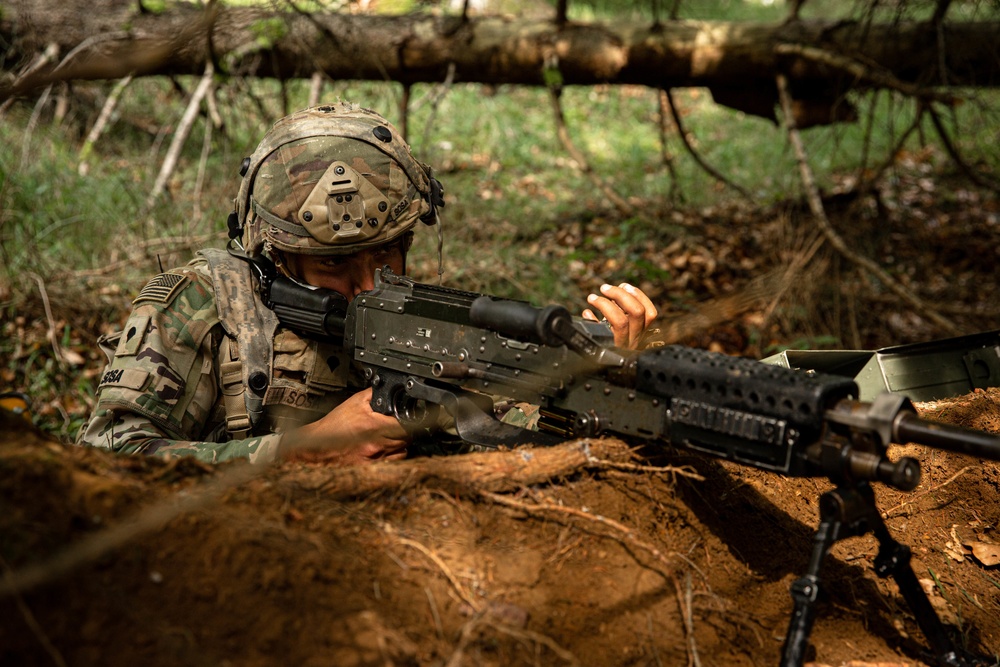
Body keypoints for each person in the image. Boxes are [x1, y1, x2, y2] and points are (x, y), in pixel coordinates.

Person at [77, 103, 658, 466]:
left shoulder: (413, 313)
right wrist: (298, 452)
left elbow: (491, 434)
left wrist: (587, 388)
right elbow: (106, 457)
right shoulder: (202, 305)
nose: (365, 287)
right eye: (334, 268)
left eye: (386, 258)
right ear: (275, 257)